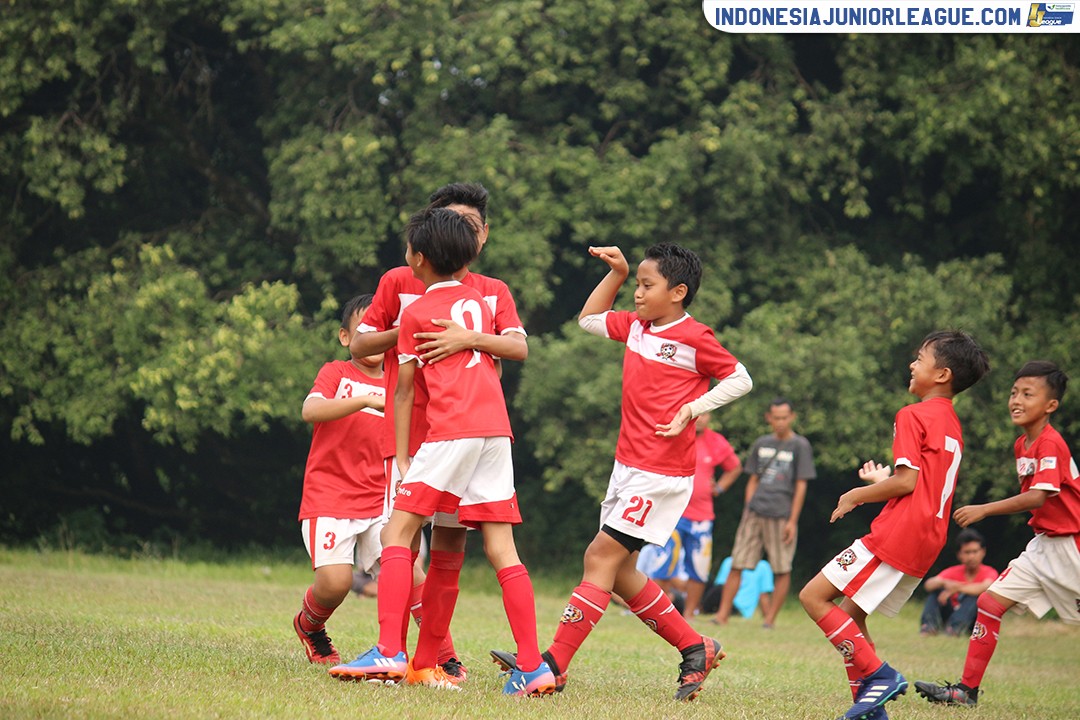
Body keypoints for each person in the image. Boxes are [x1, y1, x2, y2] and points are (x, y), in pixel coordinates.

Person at [494, 243, 753, 701]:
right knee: (620, 572)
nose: (637, 293)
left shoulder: (694, 337)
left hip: (661, 471)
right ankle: (696, 647)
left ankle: (552, 665)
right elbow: (589, 319)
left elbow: (740, 378)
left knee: (599, 558)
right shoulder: (636, 326)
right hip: (627, 467)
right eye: (636, 284)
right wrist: (615, 274)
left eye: (646, 285)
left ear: (678, 292)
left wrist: (692, 409)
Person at [331, 208, 555, 695]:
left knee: (396, 533)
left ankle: (389, 651)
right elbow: (502, 356)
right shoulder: (479, 300)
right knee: (502, 548)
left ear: (418, 258)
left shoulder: (416, 311)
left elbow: (404, 390)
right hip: (496, 431)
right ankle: (532, 665)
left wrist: (404, 456)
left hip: (451, 431)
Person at [798, 330, 990, 720]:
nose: (912, 364)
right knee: (852, 617)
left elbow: (907, 482)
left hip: (898, 532)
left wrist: (856, 494)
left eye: (920, 358)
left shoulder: (912, 414)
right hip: (928, 536)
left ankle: (881, 676)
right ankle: (872, 709)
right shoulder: (951, 422)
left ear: (942, 374)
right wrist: (880, 483)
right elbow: (921, 485)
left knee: (813, 597)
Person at [915, 360, 1080, 708]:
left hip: (1072, 546)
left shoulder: (1050, 443)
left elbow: (1039, 495)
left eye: (1028, 394)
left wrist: (984, 508)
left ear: (1051, 405)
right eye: (1014, 393)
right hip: (1043, 545)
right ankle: (965, 692)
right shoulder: (1023, 444)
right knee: (989, 602)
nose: (1016, 400)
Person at [293, 294, 387, 664]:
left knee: (408, 576)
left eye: (382, 330)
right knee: (336, 583)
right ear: (345, 337)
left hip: (381, 499)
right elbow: (311, 409)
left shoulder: (401, 380)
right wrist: (366, 400)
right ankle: (310, 626)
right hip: (329, 496)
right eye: (365, 330)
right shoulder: (337, 373)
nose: (374, 338)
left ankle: (440, 658)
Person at [714, 398, 816, 629]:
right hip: (755, 512)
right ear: (769, 418)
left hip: (782, 514)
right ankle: (722, 615)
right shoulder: (762, 443)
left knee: (782, 567)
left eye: (784, 417)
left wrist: (792, 521)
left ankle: (769, 620)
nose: (780, 422)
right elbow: (753, 478)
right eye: (776, 418)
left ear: (792, 417)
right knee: (737, 562)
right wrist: (748, 506)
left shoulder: (800, 445)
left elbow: (801, 485)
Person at [639, 412, 742, 618]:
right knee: (663, 563)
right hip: (671, 513)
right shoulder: (674, 434)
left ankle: (689, 615)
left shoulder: (716, 441)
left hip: (702, 517)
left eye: (706, 413)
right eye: (698, 413)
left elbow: (735, 467)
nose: (701, 418)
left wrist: (719, 488)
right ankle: (657, 613)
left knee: (698, 568)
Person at [918, 528, 997, 637]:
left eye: (975, 552)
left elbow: (986, 587)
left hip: (975, 621)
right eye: (967, 552)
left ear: (983, 552)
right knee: (936, 592)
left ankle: (954, 630)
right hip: (951, 613)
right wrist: (944, 583)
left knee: (976, 597)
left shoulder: (990, 572)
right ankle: (928, 628)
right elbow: (928, 585)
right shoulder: (953, 571)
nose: (971, 557)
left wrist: (956, 588)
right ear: (959, 555)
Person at [701, 557, 774, 619]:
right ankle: (699, 609)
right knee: (705, 579)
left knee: (718, 590)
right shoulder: (729, 561)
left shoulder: (763, 566)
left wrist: (768, 618)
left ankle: (701, 609)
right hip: (722, 603)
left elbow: (763, 596)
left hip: (739, 609)